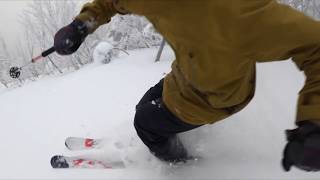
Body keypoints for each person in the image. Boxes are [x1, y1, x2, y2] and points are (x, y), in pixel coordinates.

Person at [54, 0, 320, 171]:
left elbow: (316, 45)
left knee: (145, 122)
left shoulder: (239, 12)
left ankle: (182, 163)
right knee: (144, 108)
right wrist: (81, 25)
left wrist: (314, 124)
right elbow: (112, 2)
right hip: (182, 77)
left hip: (213, 98)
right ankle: (164, 137)